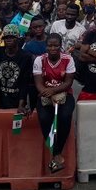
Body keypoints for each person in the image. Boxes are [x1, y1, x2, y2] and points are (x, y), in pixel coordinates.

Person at [32, 33, 76, 173]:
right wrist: (47, 92)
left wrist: (54, 91)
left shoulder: (68, 59)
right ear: (46, 46)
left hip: (64, 94)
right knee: (45, 119)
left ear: (60, 46)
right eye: (50, 45)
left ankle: (57, 152)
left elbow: (69, 82)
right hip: (45, 94)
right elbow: (38, 83)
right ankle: (56, 155)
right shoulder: (40, 60)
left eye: (56, 45)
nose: (53, 48)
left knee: (65, 117)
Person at [0, 24, 33, 110]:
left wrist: (21, 105)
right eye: (6, 37)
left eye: (12, 37)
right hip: (0, 97)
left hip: (18, 97)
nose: (8, 39)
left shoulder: (25, 56)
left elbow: (24, 82)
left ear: (17, 39)